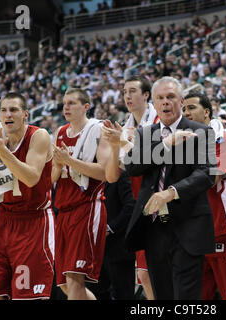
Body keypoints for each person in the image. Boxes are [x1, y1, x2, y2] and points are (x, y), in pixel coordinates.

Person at [119, 76, 216, 299]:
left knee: (186, 297)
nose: (166, 103)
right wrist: (165, 144)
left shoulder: (201, 131)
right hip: (154, 228)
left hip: (188, 225)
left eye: (171, 97)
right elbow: (133, 167)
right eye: (160, 98)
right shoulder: (145, 133)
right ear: (153, 102)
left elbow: (206, 174)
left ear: (181, 101)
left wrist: (171, 193)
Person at [0, 92, 55, 300]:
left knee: (28, 297)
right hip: (2, 222)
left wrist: (2, 152)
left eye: (13, 110)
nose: (8, 114)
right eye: (3, 110)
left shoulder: (39, 136)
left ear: (25, 114)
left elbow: (31, 178)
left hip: (33, 223)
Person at [182, 91, 226, 300]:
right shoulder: (184, 143)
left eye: (192, 108)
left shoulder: (222, 137)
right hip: (195, 233)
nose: (187, 113)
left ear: (207, 112)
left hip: (223, 227)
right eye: (184, 110)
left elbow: (213, 178)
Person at [51, 87, 109, 300]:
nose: (66, 107)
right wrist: (58, 165)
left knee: (75, 278)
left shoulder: (98, 129)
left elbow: (104, 172)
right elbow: (51, 178)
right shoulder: (59, 133)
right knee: (65, 284)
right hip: (63, 212)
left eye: (72, 103)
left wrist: (70, 161)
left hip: (87, 206)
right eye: (64, 103)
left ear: (86, 107)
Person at [103, 75, 158, 300]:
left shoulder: (158, 121)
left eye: (133, 90)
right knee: (144, 275)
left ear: (146, 95)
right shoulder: (125, 126)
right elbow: (113, 176)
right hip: (141, 209)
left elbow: (153, 159)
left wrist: (126, 143)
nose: (127, 95)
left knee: (162, 272)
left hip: (162, 203)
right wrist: (116, 146)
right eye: (125, 91)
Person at [101, 170, 136, 299]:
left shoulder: (120, 174)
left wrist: (109, 228)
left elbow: (130, 206)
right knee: (97, 293)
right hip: (96, 251)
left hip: (119, 248)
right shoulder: (88, 175)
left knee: (124, 294)